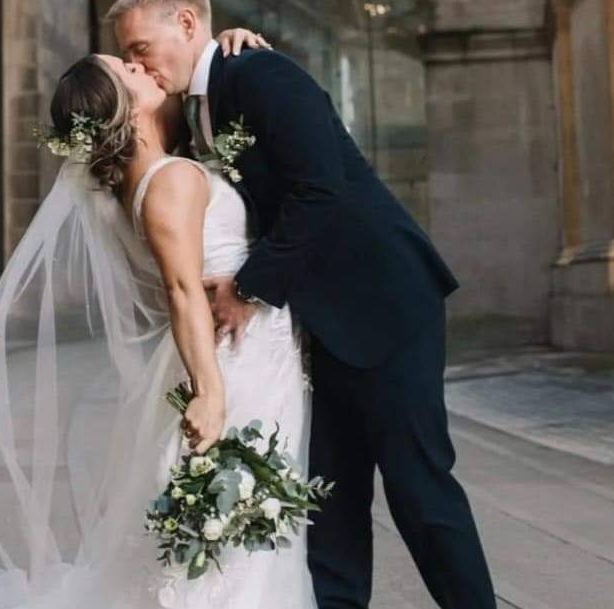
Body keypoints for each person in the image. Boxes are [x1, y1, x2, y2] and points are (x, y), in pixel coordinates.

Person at [110, 1, 497, 608]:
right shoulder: (197, 106)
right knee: (332, 500)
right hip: (318, 324)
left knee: (419, 488)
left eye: (140, 49)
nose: (140, 64)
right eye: (129, 57)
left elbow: (322, 189)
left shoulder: (265, 76)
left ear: (186, 23)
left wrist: (245, 288)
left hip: (383, 302)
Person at [0, 23, 312, 609]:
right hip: (230, 359)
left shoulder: (151, 177)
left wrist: (232, 38)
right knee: (237, 523)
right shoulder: (169, 181)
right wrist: (210, 392)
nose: (138, 66)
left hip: (248, 350)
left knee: (242, 520)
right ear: (121, 106)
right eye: (127, 70)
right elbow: (181, 290)